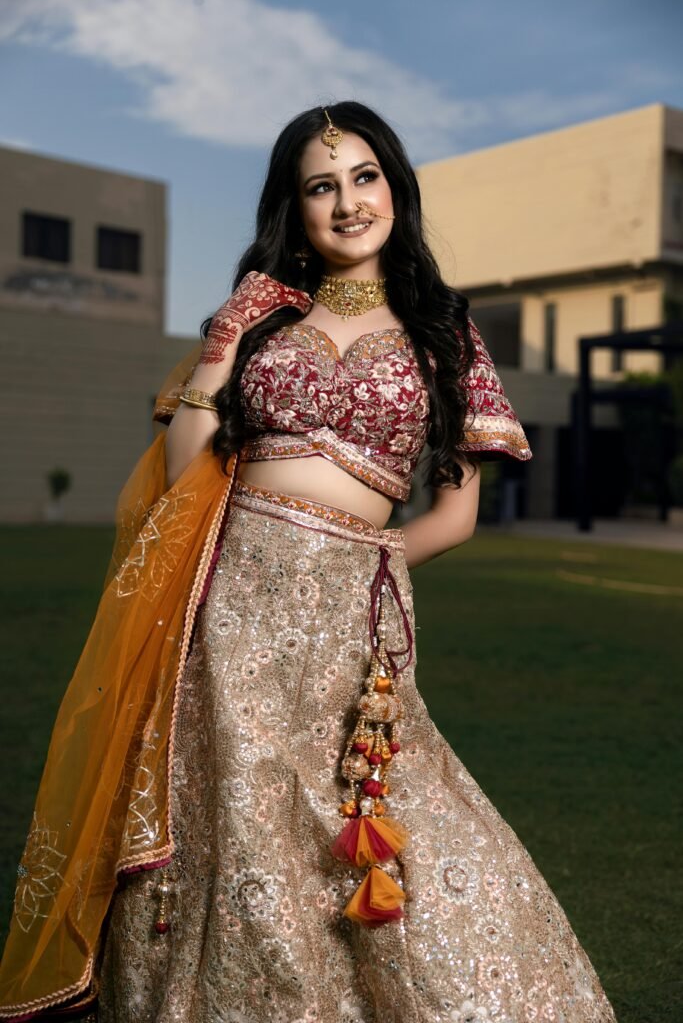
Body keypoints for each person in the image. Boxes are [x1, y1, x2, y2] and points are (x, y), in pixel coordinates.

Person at [0, 102, 616, 1022]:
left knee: (362, 801)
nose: (346, 201)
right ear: (296, 205)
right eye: (321, 185)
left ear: (395, 189)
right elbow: (184, 472)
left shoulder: (444, 330)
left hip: (353, 608)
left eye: (364, 177)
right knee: (235, 813)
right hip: (227, 599)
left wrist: (364, 564)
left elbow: (456, 515)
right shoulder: (258, 321)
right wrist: (223, 339)